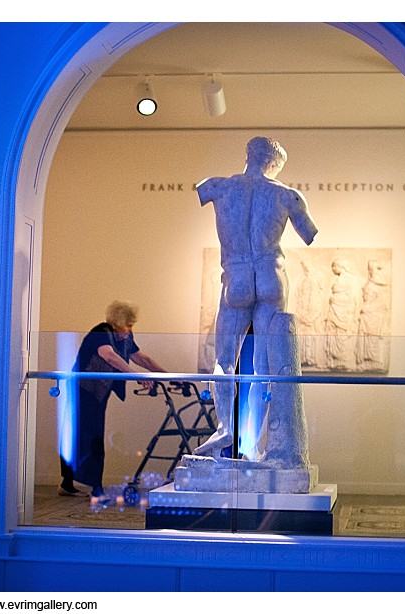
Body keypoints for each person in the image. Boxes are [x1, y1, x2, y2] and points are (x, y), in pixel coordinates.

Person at [194, 137, 318, 458]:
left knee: (224, 362)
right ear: (275, 164)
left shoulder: (217, 187)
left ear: (247, 155)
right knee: (262, 365)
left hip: (236, 279)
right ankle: (251, 446)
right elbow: (309, 232)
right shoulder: (286, 195)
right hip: (270, 278)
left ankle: (225, 429)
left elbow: (200, 191)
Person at [58, 300, 167, 511]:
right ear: (118, 322)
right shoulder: (102, 331)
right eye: (129, 325)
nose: (130, 330)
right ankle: (95, 488)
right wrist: (137, 377)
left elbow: (141, 358)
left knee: (86, 434)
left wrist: (168, 375)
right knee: (90, 436)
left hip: (98, 394)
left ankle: (68, 483)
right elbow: (109, 356)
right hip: (83, 390)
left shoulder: (125, 337)